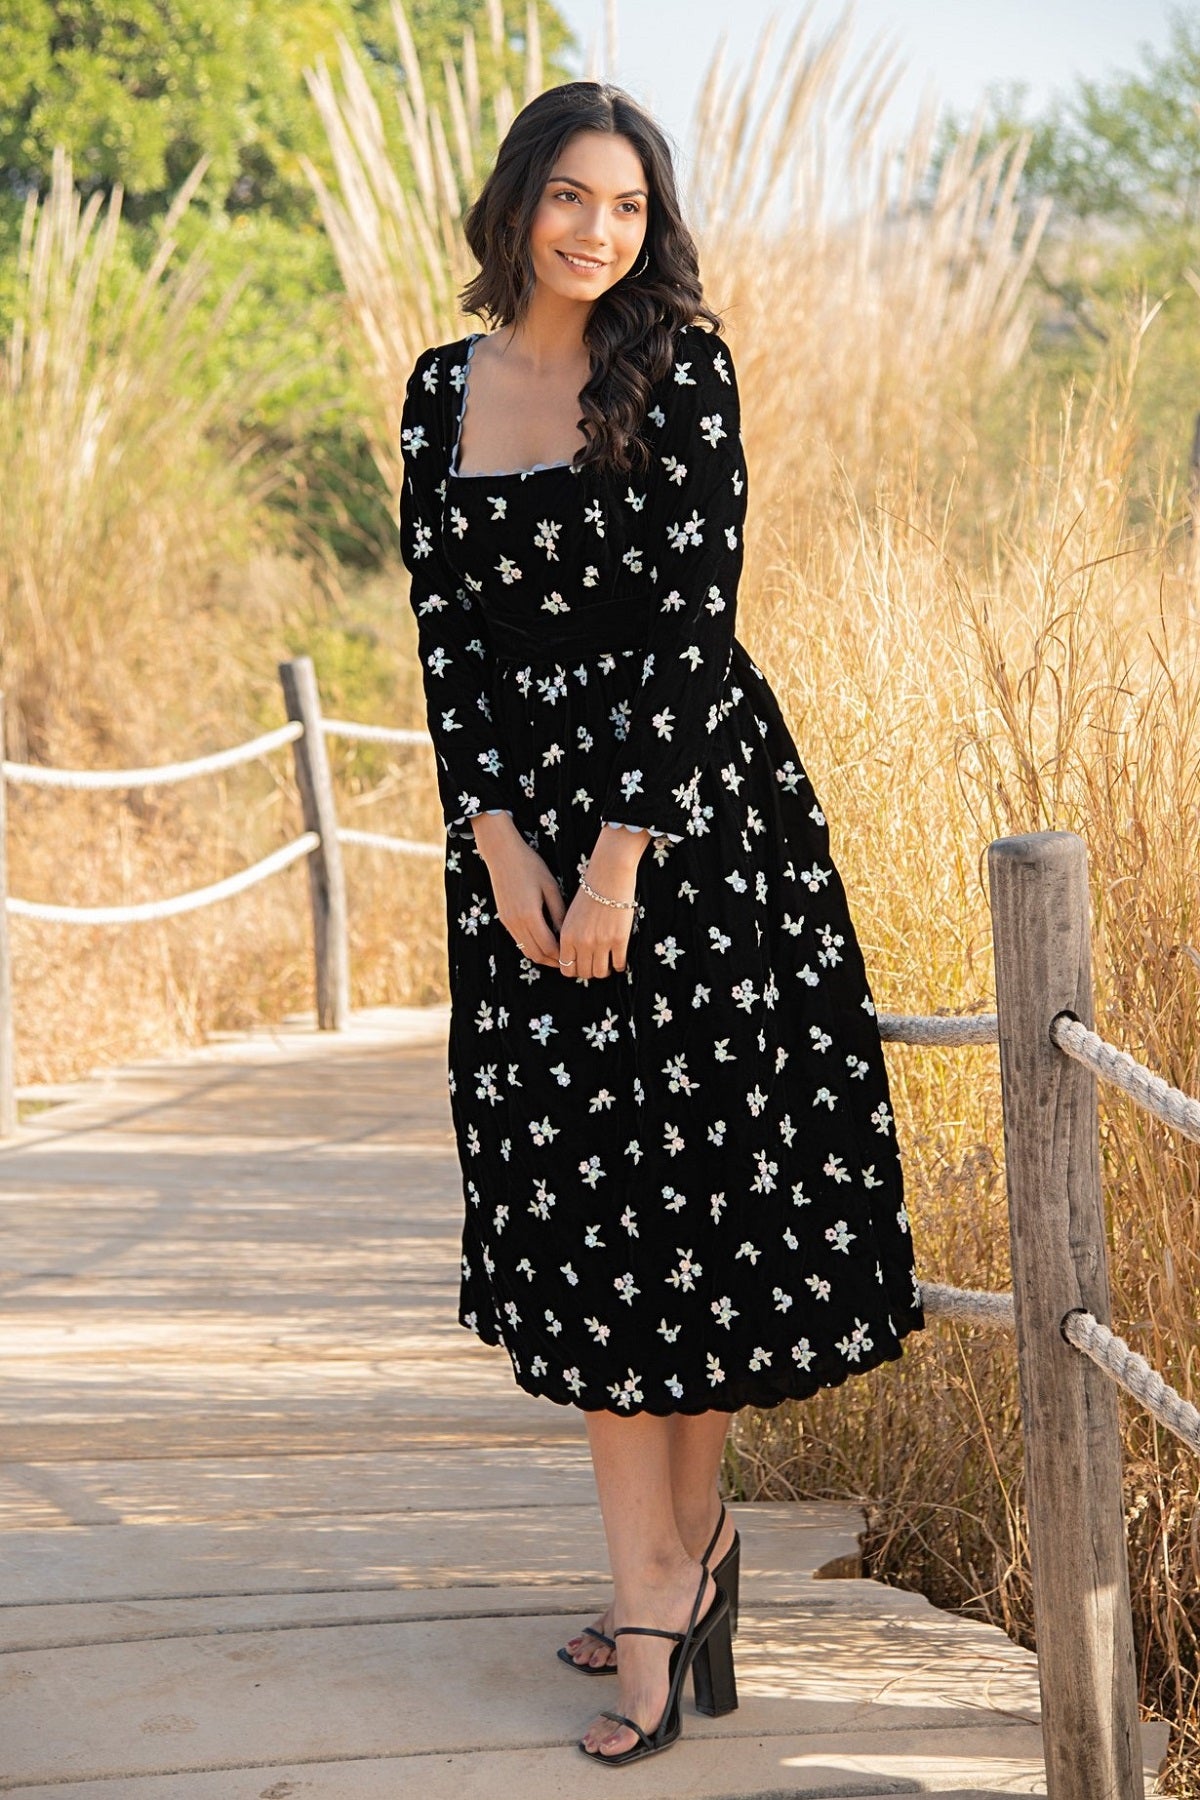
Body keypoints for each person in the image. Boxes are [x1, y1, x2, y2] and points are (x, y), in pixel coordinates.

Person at [397, 80, 923, 1767]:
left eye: (627, 205)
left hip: (687, 829)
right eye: (572, 196)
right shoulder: (438, 390)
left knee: (680, 1218)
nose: (598, 231)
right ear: (518, 202)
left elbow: (697, 623)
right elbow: (447, 639)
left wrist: (621, 853)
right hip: (519, 855)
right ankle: (682, 1568)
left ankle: (654, 1600)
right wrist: (496, 843)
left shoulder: (683, 371)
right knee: (587, 1219)